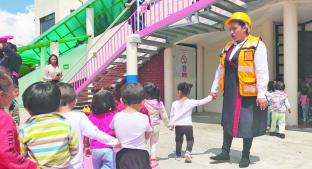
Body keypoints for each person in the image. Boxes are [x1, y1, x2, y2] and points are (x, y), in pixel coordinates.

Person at [210, 12, 269, 168]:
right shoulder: (228, 46)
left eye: (235, 28)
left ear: (246, 28)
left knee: (247, 123)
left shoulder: (257, 45)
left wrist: (262, 94)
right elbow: (220, 69)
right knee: (227, 120)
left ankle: (245, 156)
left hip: (247, 92)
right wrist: (214, 88)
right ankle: (225, 152)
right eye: (230, 29)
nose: (232, 32)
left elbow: (262, 71)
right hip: (230, 90)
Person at [56, 83, 120, 169]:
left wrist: (86, 146)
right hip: (79, 164)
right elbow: (94, 132)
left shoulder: (51, 119)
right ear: (75, 101)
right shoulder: (79, 116)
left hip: (59, 163)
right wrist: (115, 142)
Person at [19, 82, 79, 168]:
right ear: (58, 104)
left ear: (27, 109)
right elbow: (75, 149)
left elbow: (22, 155)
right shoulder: (65, 125)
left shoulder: (25, 129)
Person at [0, 68, 37, 169]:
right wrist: (31, 166)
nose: (14, 95)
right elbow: (6, 153)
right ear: (2, 95)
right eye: (12, 91)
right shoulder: (3, 118)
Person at [110, 83, 152, 169]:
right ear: (141, 102)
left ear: (122, 100)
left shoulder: (117, 116)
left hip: (122, 155)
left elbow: (112, 130)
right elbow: (148, 132)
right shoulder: (144, 118)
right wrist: (145, 140)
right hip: (141, 154)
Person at [169, 82, 213, 163]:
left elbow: (172, 115)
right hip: (188, 126)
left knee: (178, 140)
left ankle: (178, 156)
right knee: (190, 139)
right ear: (188, 92)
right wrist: (211, 96)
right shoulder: (191, 102)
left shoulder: (174, 103)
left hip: (178, 126)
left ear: (179, 92)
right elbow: (202, 101)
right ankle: (188, 152)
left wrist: (171, 125)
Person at [89, 89, 118, 169]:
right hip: (109, 148)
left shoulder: (91, 117)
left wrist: (87, 146)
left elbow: (87, 133)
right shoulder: (113, 116)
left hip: (95, 149)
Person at [142, 82, 169, 167]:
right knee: (154, 143)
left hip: (146, 127)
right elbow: (164, 116)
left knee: (143, 143)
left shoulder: (143, 102)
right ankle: (153, 160)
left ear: (145, 92)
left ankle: (142, 158)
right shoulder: (159, 103)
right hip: (156, 127)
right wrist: (168, 125)